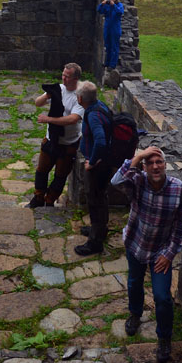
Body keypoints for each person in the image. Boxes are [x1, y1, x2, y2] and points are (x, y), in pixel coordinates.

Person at [111, 146, 182, 363]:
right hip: (136, 244)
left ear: (165, 165)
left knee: (162, 297)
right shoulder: (138, 182)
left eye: (159, 162)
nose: (155, 166)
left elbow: (181, 225)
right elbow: (116, 182)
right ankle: (135, 314)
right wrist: (138, 156)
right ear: (144, 167)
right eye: (150, 162)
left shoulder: (177, 188)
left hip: (161, 252)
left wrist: (170, 253)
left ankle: (164, 337)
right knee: (134, 283)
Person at [28, 62, 85, 208]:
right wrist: (47, 95)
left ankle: (50, 200)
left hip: (68, 144)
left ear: (76, 79)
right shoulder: (58, 88)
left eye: (67, 77)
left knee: (60, 176)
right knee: (41, 171)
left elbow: (73, 119)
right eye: (63, 75)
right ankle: (38, 198)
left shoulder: (81, 96)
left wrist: (48, 119)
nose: (64, 79)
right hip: (51, 139)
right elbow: (37, 103)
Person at [74, 81, 113, 256]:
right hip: (104, 163)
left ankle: (95, 243)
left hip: (98, 166)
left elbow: (100, 140)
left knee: (95, 200)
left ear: (81, 98)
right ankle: (99, 230)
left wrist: (93, 160)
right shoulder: (99, 105)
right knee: (101, 197)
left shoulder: (93, 116)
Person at [97, 0, 125, 69]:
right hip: (107, 28)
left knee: (114, 47)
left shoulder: (119, 5)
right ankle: (107, 62)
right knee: (108, 46)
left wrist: (114, 5)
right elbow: (99, 11)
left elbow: (120, 12)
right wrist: (102, 4)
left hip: (115, 29)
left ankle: (112, 65)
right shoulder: (107, 5)